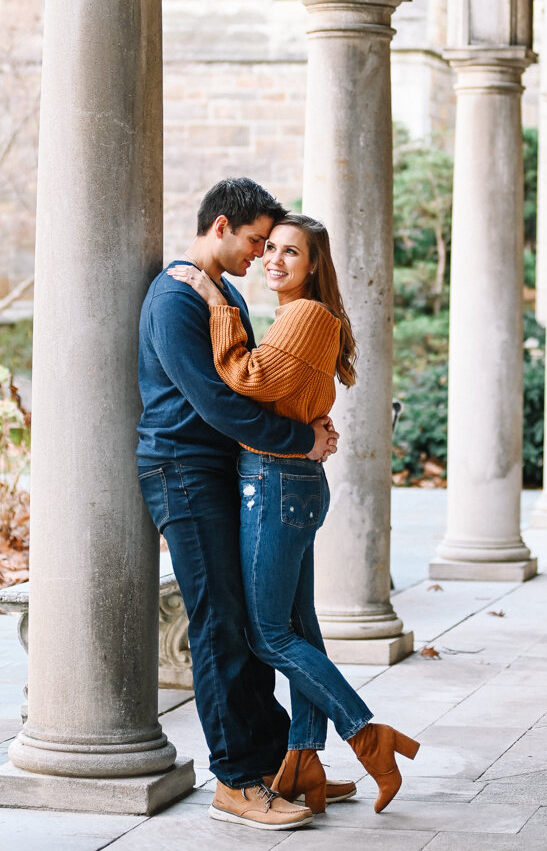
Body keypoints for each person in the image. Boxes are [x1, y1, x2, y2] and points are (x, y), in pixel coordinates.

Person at [169, 211, 419, 817]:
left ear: (314, 266)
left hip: (276, 482)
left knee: (269, 634)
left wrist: (214, 302)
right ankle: (304, 756)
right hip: (291, 482)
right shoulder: (300, 316)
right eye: (271, 248)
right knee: (299, 629)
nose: (275, 260)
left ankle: (365, 732)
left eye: (291, 253)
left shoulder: (305, 315)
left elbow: (245, 375)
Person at [136, 178, 342, 831]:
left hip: (217, 470)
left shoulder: (218, 291)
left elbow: (248, 392)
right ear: (221, 227)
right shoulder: (176, 296)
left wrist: (308, 428)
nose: (262, 256)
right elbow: (219, 401)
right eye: (257, 241)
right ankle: (234, 781)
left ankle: (277, 764)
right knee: (220, 624)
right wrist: (300, 439)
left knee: (249, 621)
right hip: (181, 472)